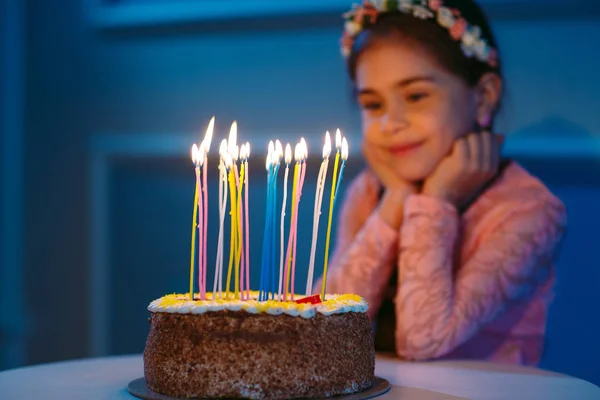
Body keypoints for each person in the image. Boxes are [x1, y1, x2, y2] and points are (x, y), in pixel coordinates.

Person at [314, 0, 567, 365]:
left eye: (416, 96)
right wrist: (395, 202)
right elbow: (323, 330)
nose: (390, 123)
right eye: (373, 104)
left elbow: (423, 340)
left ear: (483, 97)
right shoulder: (371, 192)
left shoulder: (529, 210)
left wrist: (435, 202)